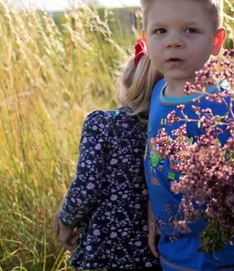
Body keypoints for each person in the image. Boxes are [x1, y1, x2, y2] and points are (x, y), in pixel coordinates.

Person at [139, 0, 234, 271]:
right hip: (173, 255)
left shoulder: (227, 111)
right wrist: (155, 212)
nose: (174, 42)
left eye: (190, 30)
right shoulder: (159, 94)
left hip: (222, 259)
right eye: (161, 31)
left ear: (216, 40)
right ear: (146, 39)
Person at [53, 39, 163, 271]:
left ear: (124, 82)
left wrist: (65, 221)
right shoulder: (171, 129)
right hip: (157, 251)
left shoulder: (102, 124)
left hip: (106, 250)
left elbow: (86, 187)